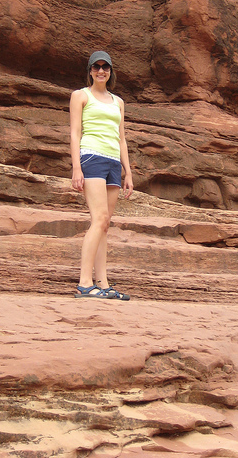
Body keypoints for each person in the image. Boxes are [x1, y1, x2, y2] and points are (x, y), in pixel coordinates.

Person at [69, 50, 133, 300]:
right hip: (92, 157)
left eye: (105, 67)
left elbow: (122, 138)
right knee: (99, 219)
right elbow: (75, 132)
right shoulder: (80, 96)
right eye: (96, 67)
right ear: (90, 71)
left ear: (111, 71)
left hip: (113, 162)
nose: (101, 71)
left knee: (105, 225)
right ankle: (85, 283)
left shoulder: (118, 102)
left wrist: (128, 171)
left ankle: (103, 283)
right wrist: (77, 167)